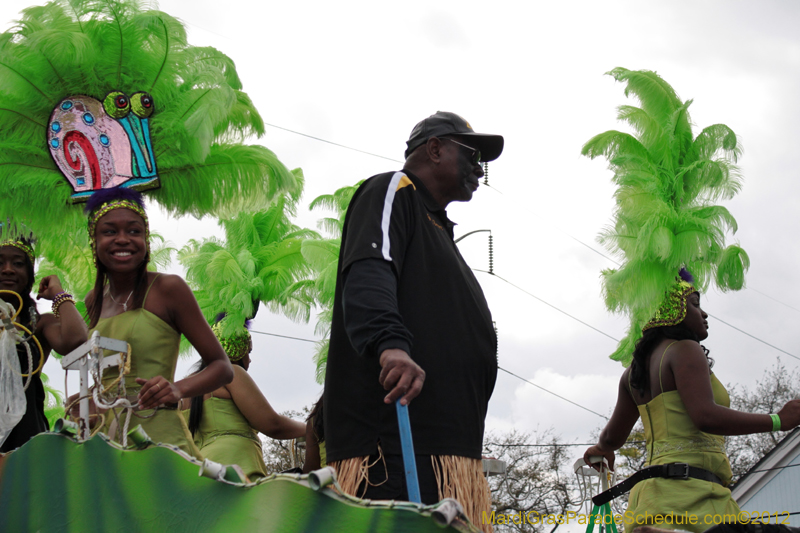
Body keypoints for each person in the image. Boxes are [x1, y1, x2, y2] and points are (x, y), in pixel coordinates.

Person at [324, 111, 503, 530]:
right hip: (394, 447)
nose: (479, 169)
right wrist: (390, 346)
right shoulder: (393, 190)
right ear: (435, 149)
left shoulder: (437, 227)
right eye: (473, 155)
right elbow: (371, 269)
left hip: (449, 452)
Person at [584, 270, 800, 533]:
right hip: (695, 496)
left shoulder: (632, 374)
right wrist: (778, 420)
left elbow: (611, 438)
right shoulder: (685, 349)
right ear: (671, 309)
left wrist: (601, 449)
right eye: (695, 304)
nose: (704, 314)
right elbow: (705, 416)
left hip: (649, 499)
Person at [82, 188, 233, 456]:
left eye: (134, 231)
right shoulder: (92, 300)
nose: (122, 239)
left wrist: (177, 388)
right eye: (109, 231)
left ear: (146, 239)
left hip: (158, 439)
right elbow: (107, 376)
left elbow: (222, 366)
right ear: (94, 241)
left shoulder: (168, 288)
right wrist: (90, 401)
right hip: (104, 443)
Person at [185, 321, 305, 480]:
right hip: (236, 466)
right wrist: (311, 428)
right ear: (236, 350)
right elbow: (272, 424)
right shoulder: (231, 373)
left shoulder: (185, 388)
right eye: (248, 352)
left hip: (200, 474)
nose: (249, 359)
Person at [0, 233, 88, 452]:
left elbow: (76, 339)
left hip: (25, 438)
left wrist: (58, 293)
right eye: (0, 263)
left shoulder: (39, 324)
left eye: (18, 263)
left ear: (29, 274)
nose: (8, 269)